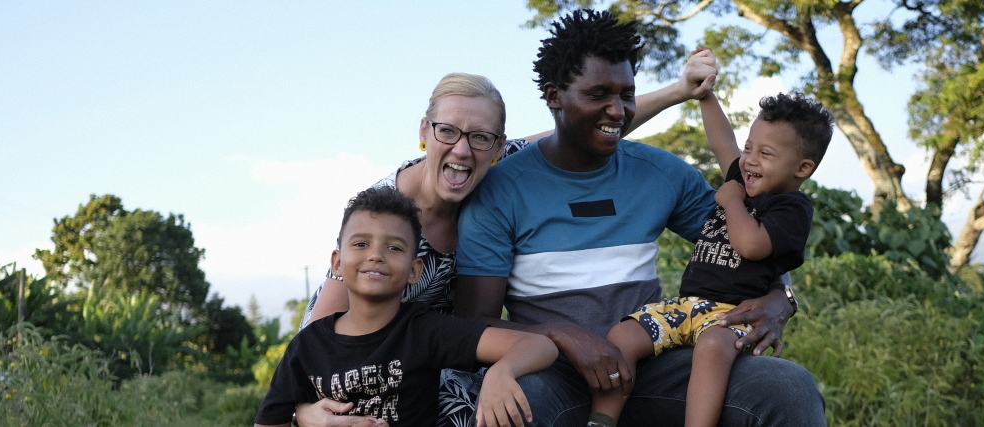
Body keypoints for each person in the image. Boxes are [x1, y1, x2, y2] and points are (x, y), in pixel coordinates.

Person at [294, 48, 719, 427]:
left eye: (479, 137)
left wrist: (678, 91)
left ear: (498, 146)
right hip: (364, 359)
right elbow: (317, 339)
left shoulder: (500, 170)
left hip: (452, 350)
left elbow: (584, 127)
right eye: (447, 132)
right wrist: (302, 410)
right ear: (424, 131)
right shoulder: (383, 217)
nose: (463, 150)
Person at [454, 9, 826, 426]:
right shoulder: (500, 190)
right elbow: (473, 324)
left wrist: (782, 300)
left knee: (788, 388)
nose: (617, 110)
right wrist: (565, 336)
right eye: (599, 95)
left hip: (653, 364)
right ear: (554, 95)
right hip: (551, 373)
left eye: (626, 94)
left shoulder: (663, 174)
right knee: (513, 407)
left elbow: (747, 239)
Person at [587, 89, 834, 427]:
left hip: (731, 315)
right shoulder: (743, 180)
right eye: (749, 148)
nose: (749, 160)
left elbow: (751, 246)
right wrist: (705, 94)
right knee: (622, 337)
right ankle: (601, 421)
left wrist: (732, 201)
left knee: (712, 349)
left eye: (765, 153)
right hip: (688, 305)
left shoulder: (791, 207)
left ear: (803, 168)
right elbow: (721, 140)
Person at [255, 187, 558, 427]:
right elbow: (271, 420)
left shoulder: (425, 330)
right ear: (337, 262)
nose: (376, 255)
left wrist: (501, 372)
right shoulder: (306, 347)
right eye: (361, 244)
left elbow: (538, 345)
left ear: (415, 270)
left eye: (394, 247)